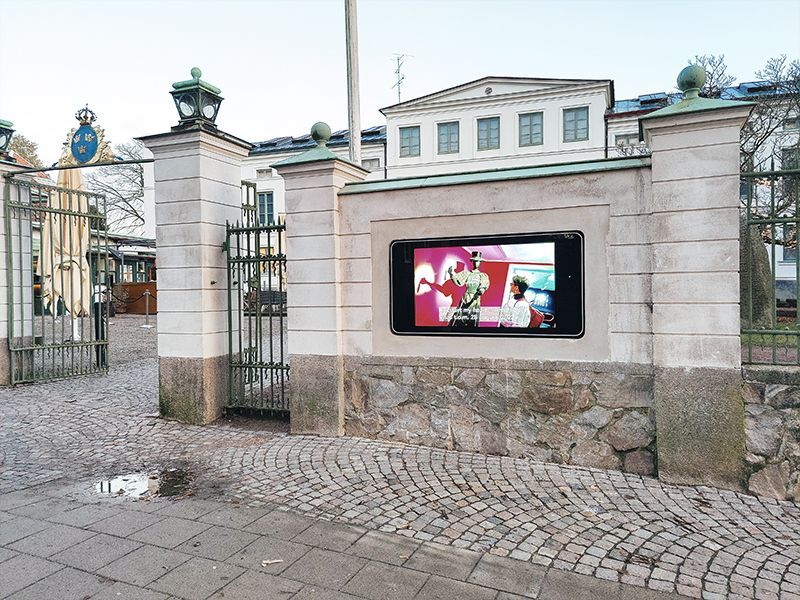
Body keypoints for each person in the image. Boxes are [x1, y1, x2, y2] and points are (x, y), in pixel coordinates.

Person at [448, 251, 490, 327]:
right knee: (460, 315)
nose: (476, 263)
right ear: (472, 262)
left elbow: (483, 287)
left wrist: (480, 291)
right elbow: (458, 283)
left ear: (480, 262)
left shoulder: (483, 275)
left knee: (472, 316)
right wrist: (451, 274)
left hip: (475, 299)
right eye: (474, 261)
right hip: (466, 297)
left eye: (478, 261)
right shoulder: (467, 273)